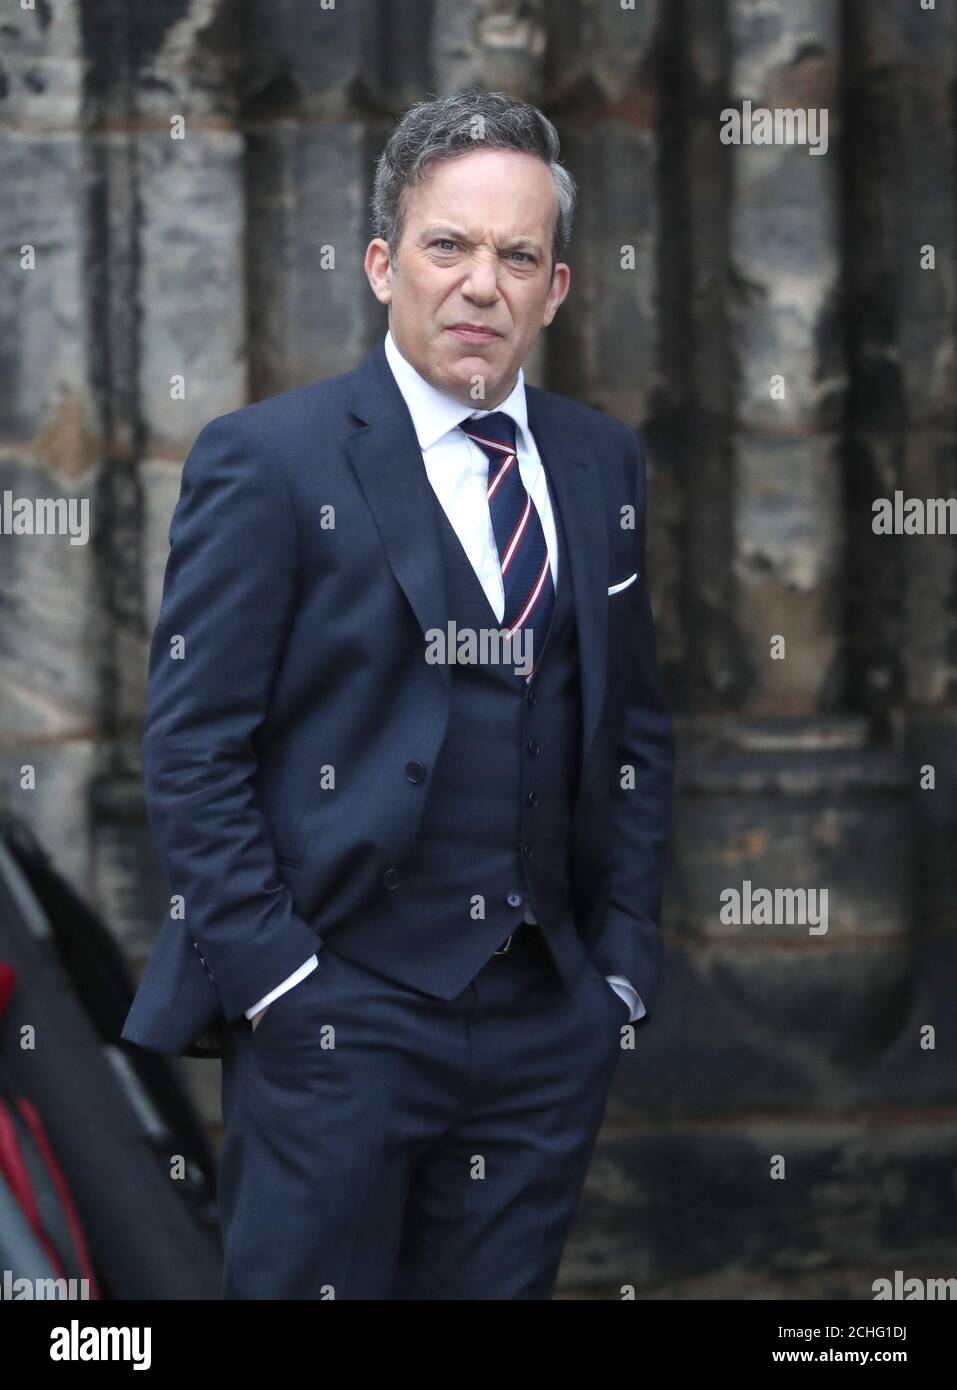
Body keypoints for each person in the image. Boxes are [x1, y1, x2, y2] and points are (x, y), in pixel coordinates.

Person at [121, 88, 675, 1300]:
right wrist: (279, 981)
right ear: (383, 264)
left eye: (518, 255)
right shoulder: (268, 460)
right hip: (337, 1014)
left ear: (556, 288)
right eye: (449, 245)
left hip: (545, 1020)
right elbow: (193, 745)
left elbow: (631, 727)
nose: (483, 283)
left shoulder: (599, 461)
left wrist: (619, 969)